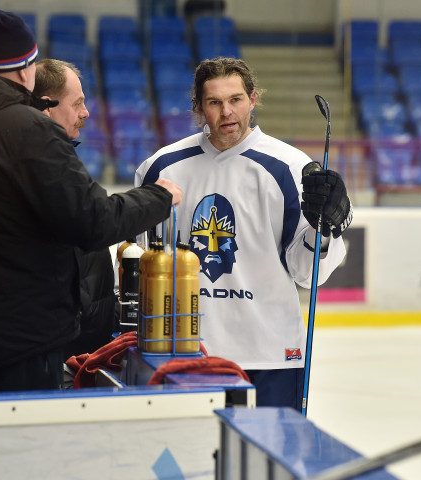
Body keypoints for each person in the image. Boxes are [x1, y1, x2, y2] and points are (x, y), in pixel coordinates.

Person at [0, 10, 182, 395]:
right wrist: (160, 196)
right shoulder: (27, 130)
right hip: (19, 348)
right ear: (26, 70)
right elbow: (93, 220)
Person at [134, 57, 352, 410]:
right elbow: (142, 263)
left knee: (268, 464)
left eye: (235, 100)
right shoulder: (161, 167)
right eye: (214, 103)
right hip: (187, 353)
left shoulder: (293, 168)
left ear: (252, 99)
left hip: (271, 355)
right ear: (199, 108)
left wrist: (322, 231)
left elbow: (307, 273)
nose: (226, 113)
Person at [33, 58, 116, 359]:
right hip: (62, 348)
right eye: (78, 103)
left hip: (83, 345)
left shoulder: (63, 158)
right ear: (48, 106)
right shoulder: (41, 166)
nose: (86, 113)